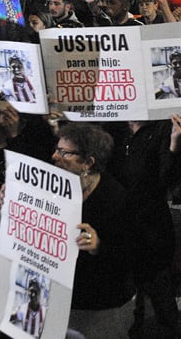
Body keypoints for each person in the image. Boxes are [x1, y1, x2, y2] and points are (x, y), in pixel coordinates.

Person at [52, 123, 137, 337]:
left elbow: (131, 256)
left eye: (65, 153)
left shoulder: (116, 199)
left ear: (88, 163)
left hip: (101, 305)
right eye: (57, 149)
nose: (55, 156)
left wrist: (99, 245)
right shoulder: (53, 186)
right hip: (63, 297)